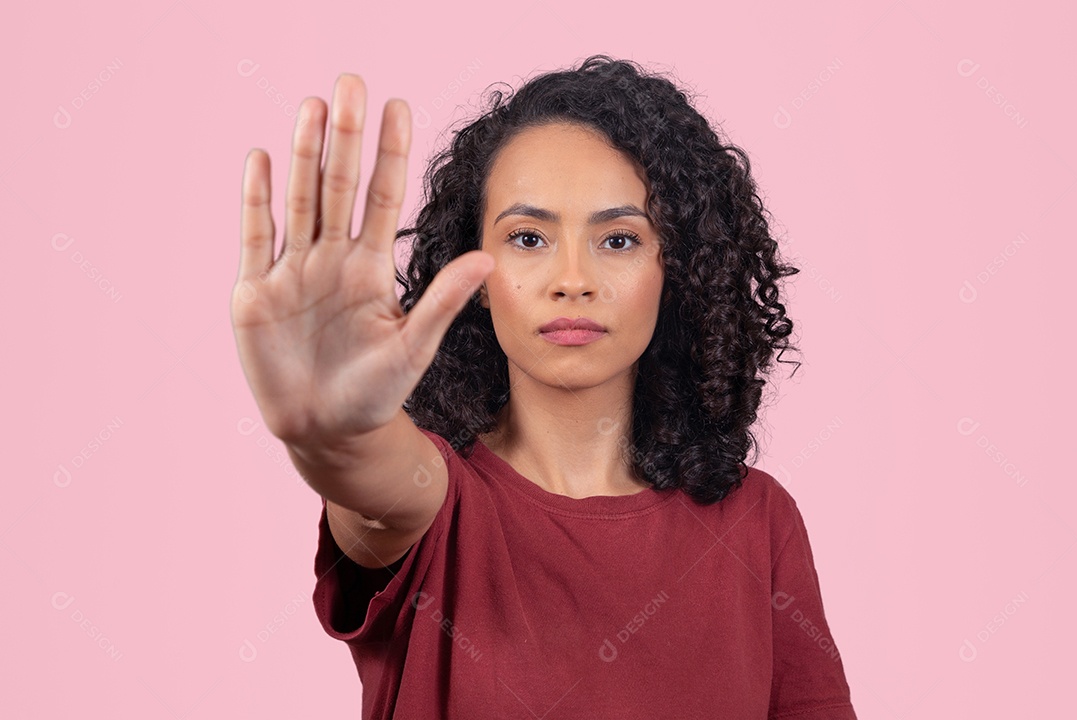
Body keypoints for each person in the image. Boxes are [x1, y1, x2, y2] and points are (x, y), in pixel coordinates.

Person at [231, 55, 857, 719]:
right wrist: (336, 435)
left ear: (676, 271)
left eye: (618, 240)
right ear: (472, 273)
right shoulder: (438, 500)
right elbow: (373, 486)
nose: (572, 279)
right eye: (528, 237)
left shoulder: (758, 522)